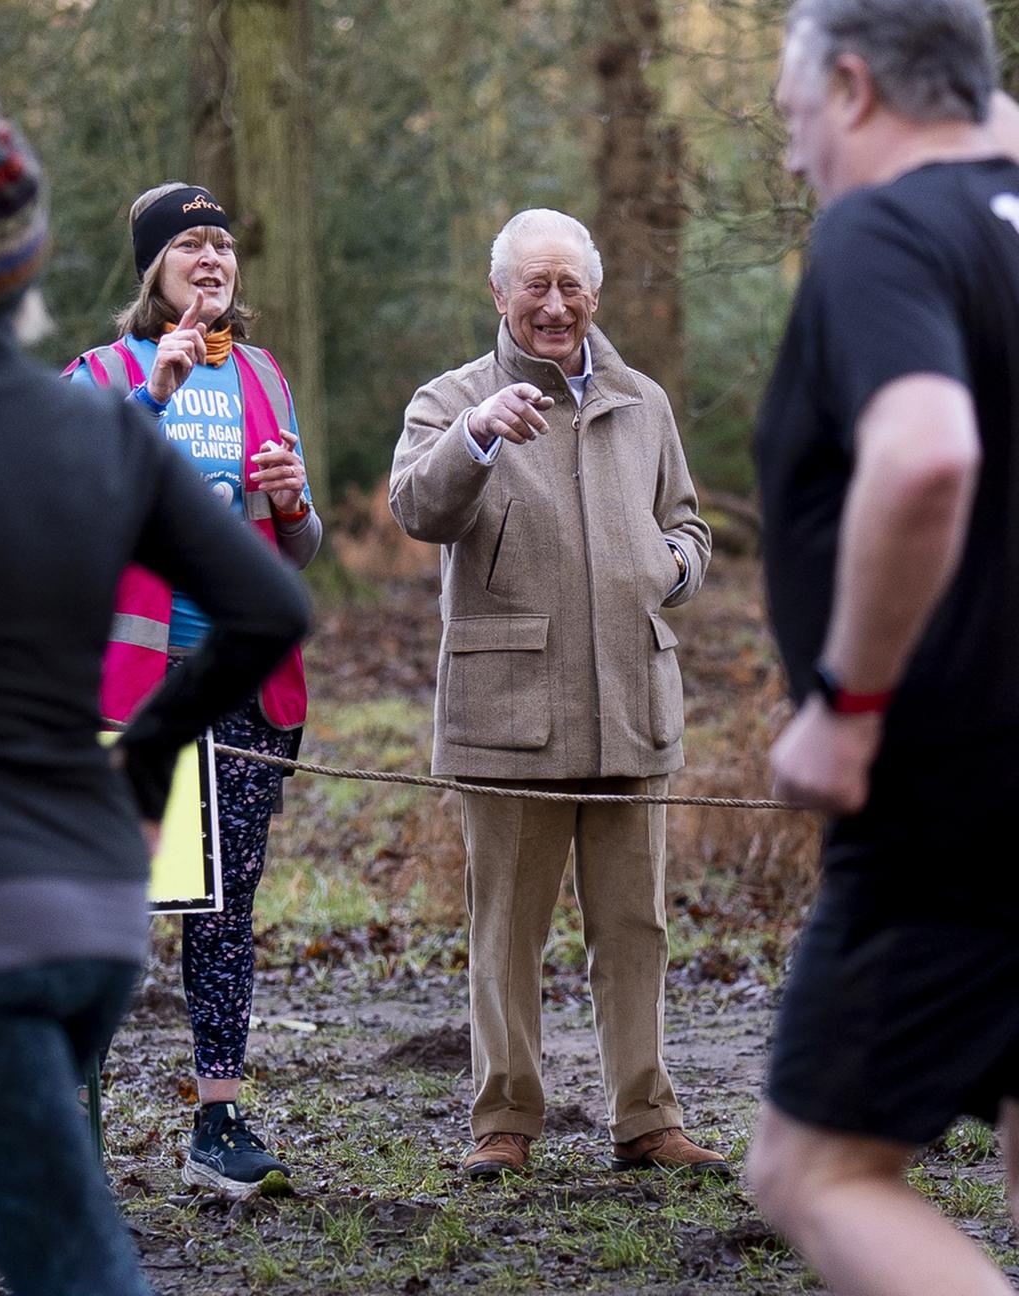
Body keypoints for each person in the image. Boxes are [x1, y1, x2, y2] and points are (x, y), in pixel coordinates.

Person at [0, 85, 309, 1296]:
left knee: (70, 1261)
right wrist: (154, 743)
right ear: (27, 263)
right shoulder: (101, 420)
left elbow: (281, 578)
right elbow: (277, 608)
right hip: (92, 910)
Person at [746, 3, 1019, 1293]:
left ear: (853, 88)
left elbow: (924, 455)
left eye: (797, 118)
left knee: (814, 1171)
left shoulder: (886, 231)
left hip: (953, 807)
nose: (797, 160)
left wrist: (848, 703)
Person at [390, 209, 721, 1179]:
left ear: (595, 294)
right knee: (506, 934)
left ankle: (646, 1119)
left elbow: (689, 524)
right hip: (510, 717)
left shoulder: (641, 400)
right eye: (534, 285)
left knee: (636, 930)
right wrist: (476, 438)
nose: (554, 303)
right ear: (499, 296)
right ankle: (506, 1123)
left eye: (571, 284)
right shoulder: (451, 399)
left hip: (632, 701)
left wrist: (672, 569)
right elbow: (416, 507)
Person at [67, 181, 321, 1198]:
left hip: (245, 694)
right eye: (190, 247)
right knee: (112, 906)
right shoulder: (99, 373)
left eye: (221, 245)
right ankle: (66, 1123)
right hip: (137, 694)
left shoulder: (262, 373)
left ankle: (218, 1127)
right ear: (153, 271)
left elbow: (296, 549)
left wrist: (296, 502)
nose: (210, 260)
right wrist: (153, 397)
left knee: (224, 911)